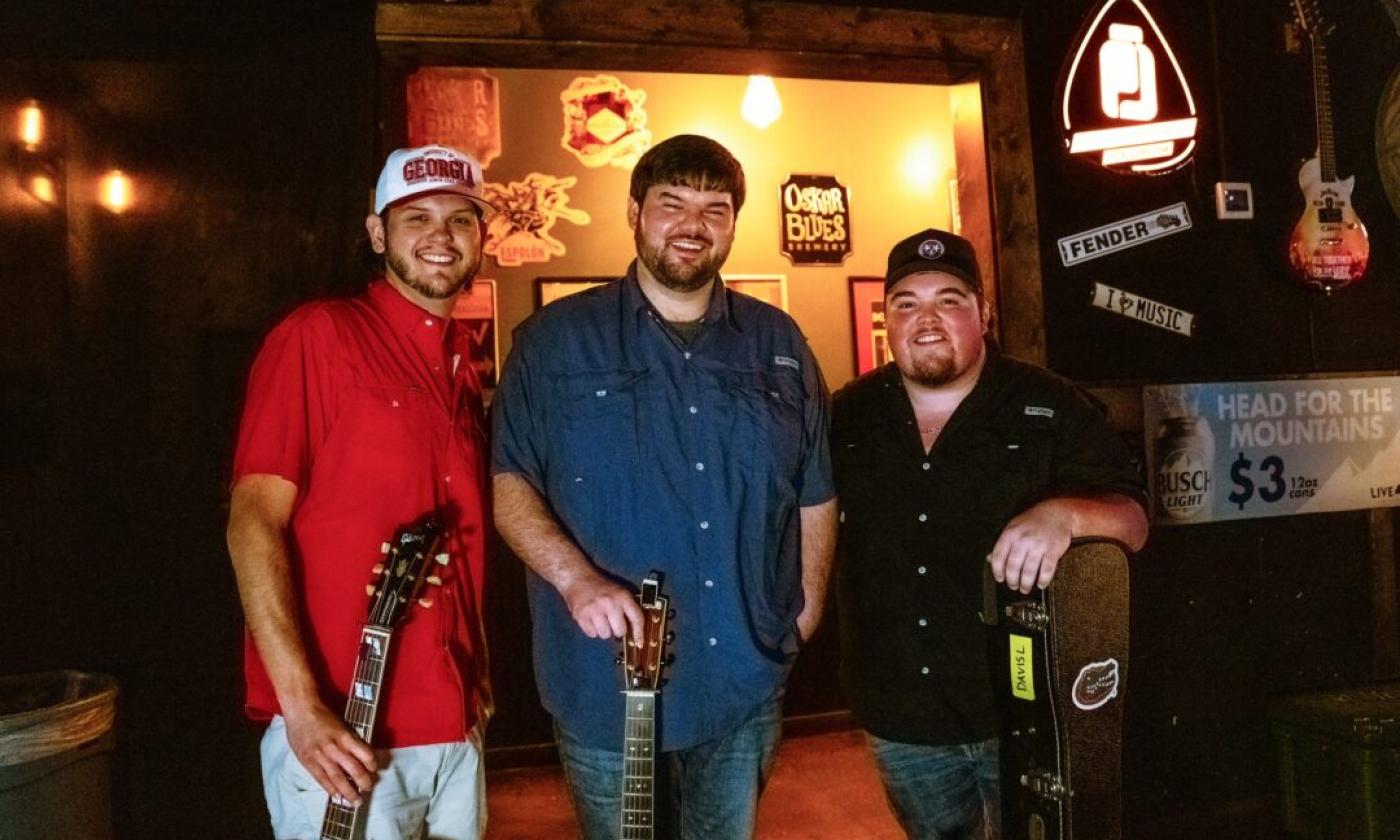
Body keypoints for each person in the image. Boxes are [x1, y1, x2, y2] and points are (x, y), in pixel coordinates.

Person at [492, 134, 837, 840]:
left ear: (735, 223)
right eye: (672, 203)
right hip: (602, 683)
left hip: (743, 674)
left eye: (715, 208)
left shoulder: (779, 342)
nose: (693, 224)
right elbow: (510, 486)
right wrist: (575, 580)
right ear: (633, 211)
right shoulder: (553, 342)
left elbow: (816, 491)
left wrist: (801, 618)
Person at [832, 229, 1149, 840]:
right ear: (887, 320)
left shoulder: (1049, 405)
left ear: (984, 312)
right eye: (905, 303)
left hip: (1026, 713)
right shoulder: (848, 414)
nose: (926, 319)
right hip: (901, 713)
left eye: (949, 299)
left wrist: (1066, 515)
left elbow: (1133, 520)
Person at [227, 144, 495, 839]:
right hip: (346, 729)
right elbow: (252, 523)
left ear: (482, 239)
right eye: (417, 218)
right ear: (377, 234)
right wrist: (301, 708)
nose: (441, 236)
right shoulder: (318, 337)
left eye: (461, 219)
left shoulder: (464, 368)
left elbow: (457, 541)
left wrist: (479, 674)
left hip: (453, 724)